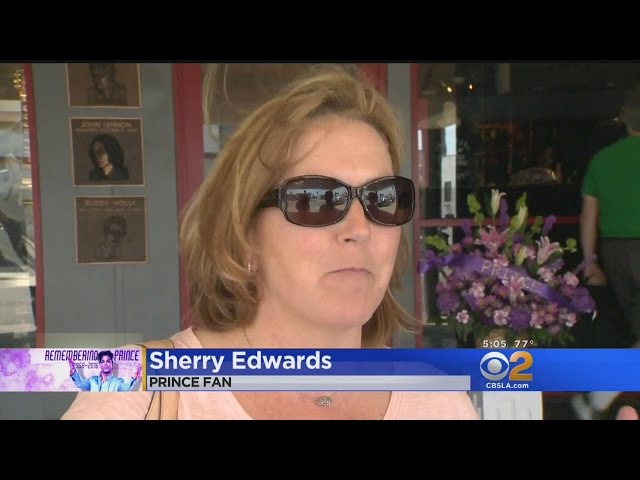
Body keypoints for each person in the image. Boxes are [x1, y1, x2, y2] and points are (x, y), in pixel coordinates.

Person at [60, 65, 638, 421]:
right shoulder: (133, 392)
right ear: (241, 238)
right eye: (316, 199)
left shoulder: (437, 402)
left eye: (383, 199)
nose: (359, 228)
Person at [576, 88, 640, 419]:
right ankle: (598, 397)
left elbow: (589, 217)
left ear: (625, 120)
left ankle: (599, 397)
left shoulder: (602, 161)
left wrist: (591, 262)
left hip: (615, 252)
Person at [69, 350, 142, 392]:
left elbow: (126, 388)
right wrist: (73, 370)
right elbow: (80, 383)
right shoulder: (93, 380)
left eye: (108, 361)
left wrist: (134, 378)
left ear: (112, 364)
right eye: (103, 361)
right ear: (100, 364)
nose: (105, 364)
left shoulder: (117, 382)